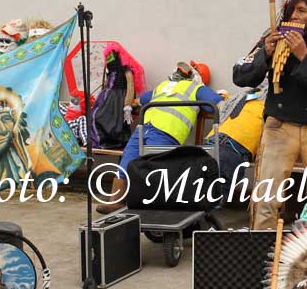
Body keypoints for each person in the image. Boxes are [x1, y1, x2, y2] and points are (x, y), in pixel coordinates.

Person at [233, 0, 307, 230]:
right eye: (291, 10)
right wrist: (265, 54)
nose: (294, 16)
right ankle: (260, 260)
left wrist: (304, 56)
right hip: (278, 128)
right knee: (265, 203)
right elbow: (239, 74)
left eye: (302, 11)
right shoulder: (273, 36)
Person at [95, 62, 223, 214]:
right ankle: (119, 202)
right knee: (146, 166)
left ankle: (131, 203)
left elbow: (143, 99)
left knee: (140, 165)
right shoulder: (196, 89)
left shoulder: (166, 85)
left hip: (153, 128)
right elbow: (214, 103)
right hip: (161, 129)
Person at [205, 85, 267, 201]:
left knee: (206, 183)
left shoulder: (247, 96)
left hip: (227, 142)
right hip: (226, 142)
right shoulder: (248, 96)